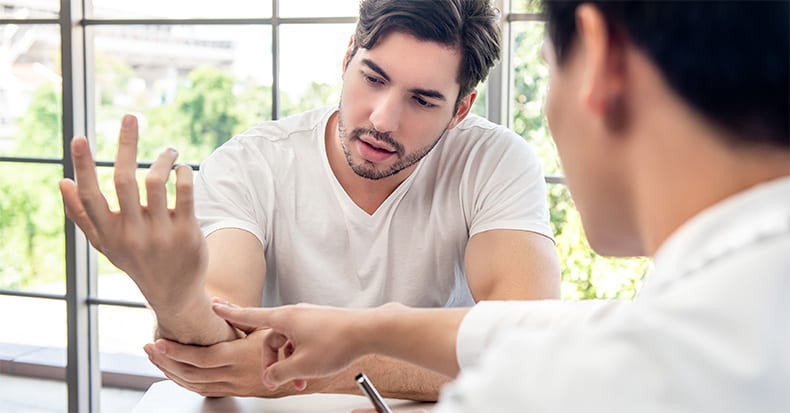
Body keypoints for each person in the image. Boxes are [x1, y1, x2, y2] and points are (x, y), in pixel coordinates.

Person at [211, 0, 790, 411]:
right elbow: (543, 330)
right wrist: (371, 330)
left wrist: (339, 355)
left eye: (546, 65)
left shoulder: (621, 369)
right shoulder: (735, 300)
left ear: (599, 56)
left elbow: (537, 353)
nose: (384, 119)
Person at [58, 0, 561, 401]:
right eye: (374, 78)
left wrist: (329, 364)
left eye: (422, 100)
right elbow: (220, 348)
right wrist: (172, 293)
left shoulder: (494, 161)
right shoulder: (252, 163)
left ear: (461, 109)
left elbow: (526, 347)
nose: (383, 119)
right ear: (347, 57)